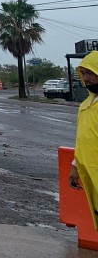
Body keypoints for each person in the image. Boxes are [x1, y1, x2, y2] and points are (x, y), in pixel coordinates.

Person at [69, 50, 98, 230]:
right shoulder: (86, 106)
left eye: (90, 73)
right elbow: (82, 140)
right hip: (92, 176)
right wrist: (75, 166)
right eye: (83, 73)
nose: (86, 78)